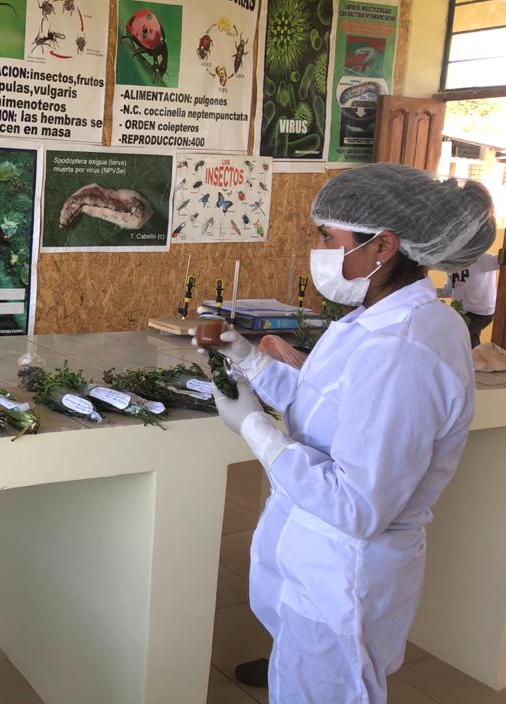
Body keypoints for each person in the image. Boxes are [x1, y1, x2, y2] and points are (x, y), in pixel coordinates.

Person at [193, 164, 495, 702]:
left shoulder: (403, 349)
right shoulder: (376, 320)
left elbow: (356, 505)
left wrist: (255, 428)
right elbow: (328, 404)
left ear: (383, 246)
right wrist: (252, 362)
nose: (319, 250)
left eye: (328, 237)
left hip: (343, 579)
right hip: (320, 565)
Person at [438, 251, 499, 348]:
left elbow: (499, 261)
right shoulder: (451, 265)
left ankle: (471, 354)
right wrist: (430, 291)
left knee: (459, 333)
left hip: (481, 313)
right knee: (469, 337)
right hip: (462, 311)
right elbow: (448, 291)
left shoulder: (480, 258)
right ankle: (474, 354)